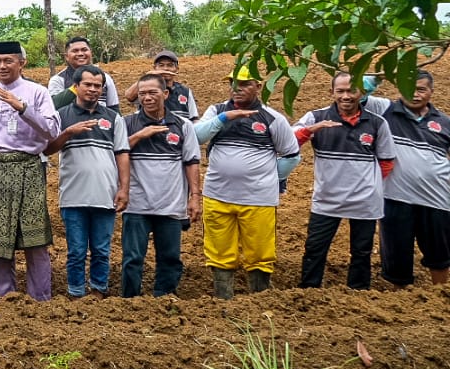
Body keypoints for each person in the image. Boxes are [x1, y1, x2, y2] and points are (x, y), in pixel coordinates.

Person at [0, 41, 62, 301]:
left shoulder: (37, 93)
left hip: (29, 168)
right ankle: (4, 299)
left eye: (8, 60)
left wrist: (22, 108)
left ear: (22, 63)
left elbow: (52, 131)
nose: (2, 66)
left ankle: (41, 299)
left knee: (35, 240)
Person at [194, 68, 301, 298]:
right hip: (217, 196)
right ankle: (223, 300)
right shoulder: (217, 111)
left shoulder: (273, 119)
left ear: (258, 87)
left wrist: (271, 178)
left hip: (258, 199)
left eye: (244, 83)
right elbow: (196, 136)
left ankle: (260, 300)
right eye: (233, 83)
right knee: (219, 251)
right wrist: (224, 119)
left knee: (260, 254)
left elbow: (292, 155)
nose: (237, 88)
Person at [294, 73, 396, 290]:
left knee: (361, 251)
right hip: (327, 199)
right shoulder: (315, 117)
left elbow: (386, 161)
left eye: (351, 90)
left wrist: (371, 185)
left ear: (361, 92)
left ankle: (358, 293)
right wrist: (309, 131)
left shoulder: (378, 123)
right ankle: (308, 293)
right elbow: (288, 142)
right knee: (315, 248)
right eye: (340, 91)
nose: (346, 96)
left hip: (366, 201)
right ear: (331, 92)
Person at [44, 65, 132, 299]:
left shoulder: (113, 118)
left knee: (102, 250)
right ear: (76, 87)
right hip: (73, 196)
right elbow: (47, 148)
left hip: (105, 194)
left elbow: (122, 153)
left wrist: (124, 189)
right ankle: (75, 291)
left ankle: (98, 290)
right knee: (76, 250)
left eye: (98, 86)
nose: (93, 90)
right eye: (88, 85)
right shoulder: (61, 115)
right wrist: (68, 133)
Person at [121, 73, 202, 297]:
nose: (146, 98)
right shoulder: (127, 123)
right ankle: (130, 301)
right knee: (133, 257)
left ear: (165, 94)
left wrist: (195, 197)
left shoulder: (182, 125)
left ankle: (165, 299)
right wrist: (139, 136)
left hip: (171, 204)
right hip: (137, 204)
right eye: (142, 93)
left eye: (152, 92)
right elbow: (116, 153)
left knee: (169, 257)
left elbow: (192, 161)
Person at [368, 71, 450, 287]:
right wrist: (381, 75)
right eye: (407, 86)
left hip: (438, 199)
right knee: (396, 252)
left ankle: (439, 295)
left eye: (421, 89)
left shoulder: (444, 122)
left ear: (431, 92)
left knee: (440, 254)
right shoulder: (384, 110)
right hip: (395, 197)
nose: (414, 93)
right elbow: (357, 92)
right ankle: (401, 302)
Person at [46, 36, 121, 109]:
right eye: (75, 51)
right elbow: (52, 107)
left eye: (84, 50)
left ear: (91, 53)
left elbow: (114, 108)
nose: (80, 53)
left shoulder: (105, 78)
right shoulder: (58, 80)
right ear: (66, 57)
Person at [121, 51, 198, 119]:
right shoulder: (147, 89)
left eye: (170, 65)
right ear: (155, 68)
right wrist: (148, 75)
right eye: (161, 65)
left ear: (177, 69)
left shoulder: (185, 91)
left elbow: (194, 118)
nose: (165, 69)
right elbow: (129, 96)